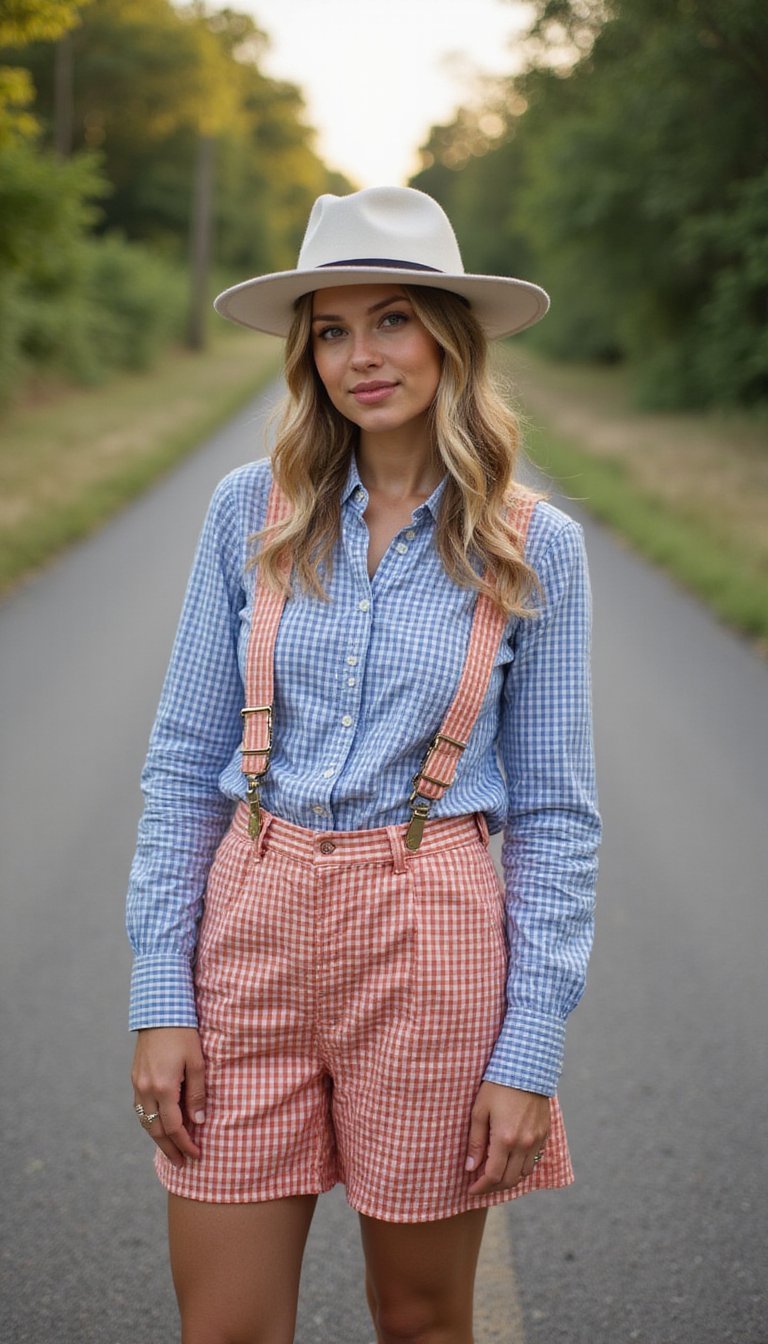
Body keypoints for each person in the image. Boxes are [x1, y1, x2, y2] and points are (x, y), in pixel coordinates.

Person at [127, 185, 600, 1344]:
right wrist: (159, 996)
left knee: (421, 1320)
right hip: (253, 917)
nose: (360, 357)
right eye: (330, 331)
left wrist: (529, 1047)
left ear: (449, 334)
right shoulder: (252, 509)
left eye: (390, 320)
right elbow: (186, 763)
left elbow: (555, 814)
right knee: (225, 1327)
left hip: (432, 935)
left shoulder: (534, 545)